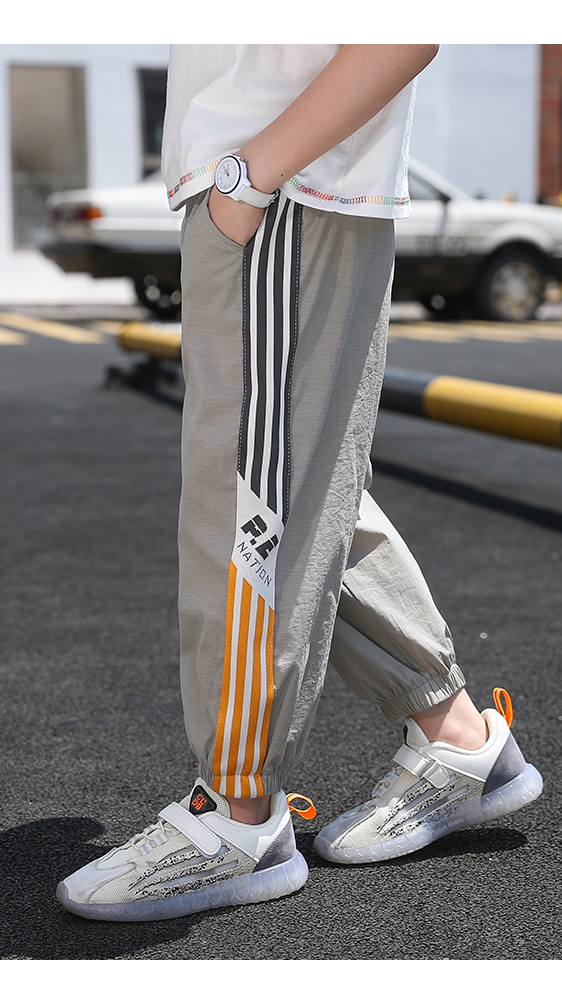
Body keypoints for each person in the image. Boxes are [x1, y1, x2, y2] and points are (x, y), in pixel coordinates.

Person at [56, 44, 543, 921]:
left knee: (247, 501)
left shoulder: (268, 185)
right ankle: (457, 735)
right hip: (273, 191)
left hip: (282, 192)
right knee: (300, 491)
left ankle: (237, 814)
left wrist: (249, 179)